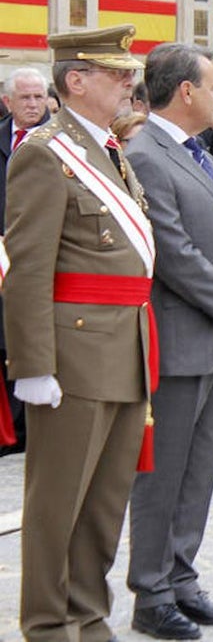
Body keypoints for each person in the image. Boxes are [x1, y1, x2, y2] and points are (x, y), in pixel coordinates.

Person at [5, 25, 151, 642]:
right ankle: (47, 624)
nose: (128, 83)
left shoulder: (107, 148)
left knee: (103, 503)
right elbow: (28, 266)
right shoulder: (45, 151)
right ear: (76, 81)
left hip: (126, 345)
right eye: (116, 74)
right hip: (74, 351)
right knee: (58, 502)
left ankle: (88, 617)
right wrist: (33, 366)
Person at [124, 43, 213, 640]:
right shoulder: (145, 154)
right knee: (165, 474)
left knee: (200, 469)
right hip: (181, 339)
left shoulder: (200, 152)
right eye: (212, 86)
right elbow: (170, 250)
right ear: (185, 91)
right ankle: (151, 593)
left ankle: (181, 579)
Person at [0, 67, 51, 458]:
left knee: (34, 333)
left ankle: (32, 426)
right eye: (25, 98)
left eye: (39, 97)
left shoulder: (61, 139)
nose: (34, 104)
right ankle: (10, 429)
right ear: (8, 102)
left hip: (43, 255)